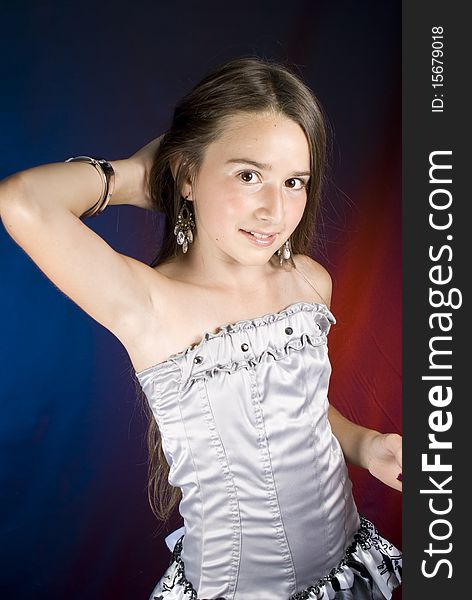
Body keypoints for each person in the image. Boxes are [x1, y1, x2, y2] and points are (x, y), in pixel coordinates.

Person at [0, 57, 402, 599]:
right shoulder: (150, 304)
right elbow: (24, 200)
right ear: (188, 174)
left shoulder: (308, 284)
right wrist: (134, 177)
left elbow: (300, 409)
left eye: (294, 182)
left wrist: (365, 443)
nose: (273, 209)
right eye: (248, 174)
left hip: (344, 572)